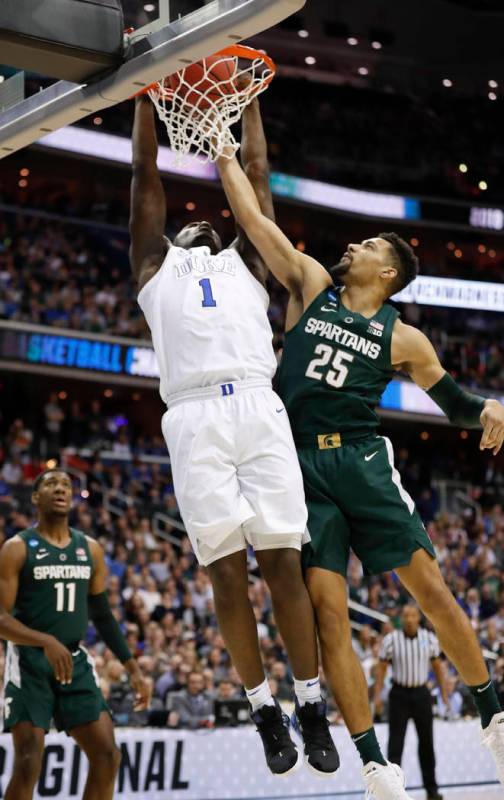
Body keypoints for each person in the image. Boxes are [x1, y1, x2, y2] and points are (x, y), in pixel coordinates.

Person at [217, 151, 504, 799]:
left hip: (360, 459)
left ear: (388, 270)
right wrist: (223, 156)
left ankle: (494, 716)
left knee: (428, 587)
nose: (354, 242)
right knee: (328, 614)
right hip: (298, 468)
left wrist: (487, 407)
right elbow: (254, 221)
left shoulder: (405, 339)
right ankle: (375, 764)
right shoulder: (312, 284)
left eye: (368, 242)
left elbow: (455, 405)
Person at [129, 94, 338, 777]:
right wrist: (144, 103)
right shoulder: (153, 270)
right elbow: (145, 178)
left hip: (257, 401)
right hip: (192, 418)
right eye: (186, 221)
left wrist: (245, 103)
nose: (197, 219)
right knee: (225, 577)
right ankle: (262, 708)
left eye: (208, 218)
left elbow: (256, 167)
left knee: (282, 564)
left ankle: (309, 702)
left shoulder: (249, 261)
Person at [0, 468, 151, 800]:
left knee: (108, 756)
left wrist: (133, 669)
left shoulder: (90, 549)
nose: (60, 489)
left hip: (73, 660)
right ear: (36, 497)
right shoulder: (17, 548)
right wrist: (44, 640)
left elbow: (103, 615)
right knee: (28, 763)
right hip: (28, 662)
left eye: (67, 485)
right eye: (51, 484)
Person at [374, 605, 446, 800]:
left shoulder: (429, 638)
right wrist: (377, 696)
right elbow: (380, 669)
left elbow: (438, 668)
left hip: (422, 694)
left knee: (427, 744)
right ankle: (392, 792)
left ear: (418, 618)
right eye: (405, 615)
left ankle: (431, 790)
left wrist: (445, 695)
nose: (409, 619)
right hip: (399, 695)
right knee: (395, 746)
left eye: (413, 615)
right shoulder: (391, 640)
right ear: (401, 619)